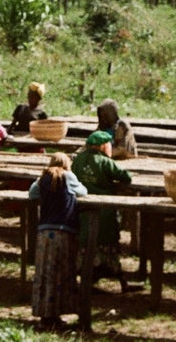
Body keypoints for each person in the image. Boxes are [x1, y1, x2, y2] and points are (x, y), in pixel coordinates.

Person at [27, 152, 88, 328]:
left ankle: (46, 315)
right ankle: (57, 313)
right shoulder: (68, 176)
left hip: (44, 232)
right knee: (62, 273)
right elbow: (83, 192)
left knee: (45, 274)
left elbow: (32, 194)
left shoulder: (43, 178)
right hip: (63, 231)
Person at [72, 130, 136, 291]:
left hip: (83, 210)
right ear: (102, 146)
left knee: (86, 244)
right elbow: (125, 177)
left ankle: (86, 279)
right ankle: (121, 281)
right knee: (107, 245)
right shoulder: (104, 162)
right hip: (105, 212)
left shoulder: (78, 160)